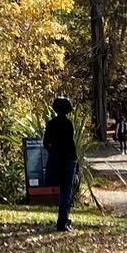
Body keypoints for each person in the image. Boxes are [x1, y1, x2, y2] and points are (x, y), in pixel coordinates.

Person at [44, 96, 79, 231]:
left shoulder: (51, 123)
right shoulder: (68, 124)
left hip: (55, 159)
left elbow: (46, 142)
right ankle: (63, 220)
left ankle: (63, 219)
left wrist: (53, 153)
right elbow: (71, 143)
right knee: (66, 191)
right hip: (67, 160)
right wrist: (75, 159)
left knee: (60, 189)